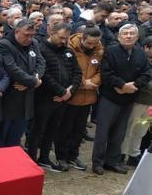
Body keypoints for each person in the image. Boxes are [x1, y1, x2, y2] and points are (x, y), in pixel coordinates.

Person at [92, 24, 152, 175]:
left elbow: (146, 73)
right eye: (125, 33)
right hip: (110, 97)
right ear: (119, 37)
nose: (128, 36)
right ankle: (97, 162)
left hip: (128, 98)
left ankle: (112, 161)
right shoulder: (110, 51)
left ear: (137, 37)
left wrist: (134, 86)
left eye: (132, 34)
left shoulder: (140, 53)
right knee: (102, 133)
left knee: (119, 133)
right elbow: (106, 73)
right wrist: (122, 85)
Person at [27, 22, 82, 171]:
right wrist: (62, 92)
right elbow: (44, 75)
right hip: (44, 98)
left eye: (66, 38)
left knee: (53, 129)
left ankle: (44, 157)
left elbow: (77, 73)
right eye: (61, 37)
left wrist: (69, 92)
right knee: (37, 130)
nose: (64, 41)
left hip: (63, 99)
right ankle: (31, 158)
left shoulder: (68, 51)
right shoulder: (41, 49)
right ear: (52, 34)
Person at [55, 24, 104, 171]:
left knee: (79, 130)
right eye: (89, 43)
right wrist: (83, 83)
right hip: (72, 95)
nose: (91, 46)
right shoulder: (70, 49)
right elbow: (69, 70)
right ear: (82, 38)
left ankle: (73, 155)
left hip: (88, 96)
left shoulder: (99, 51)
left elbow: (102, 71)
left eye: (94, 43)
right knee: (65, 129)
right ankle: (61, 156)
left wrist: (93, 83)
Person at [0, 19, 45, 147]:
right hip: (9, 99)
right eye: (26, 35)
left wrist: (33, 80)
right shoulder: (4, 45)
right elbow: (12, 69)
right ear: (17, 31)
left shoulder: (34, 43)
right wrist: (34, 82)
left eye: (32, 35)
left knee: (16, 138)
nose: (29, 38)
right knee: (2, 137)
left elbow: (41, 63)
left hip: (26, 99)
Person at [120, 36, 152, 166]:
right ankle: (122, 154)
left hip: (149, 103)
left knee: (141, 130)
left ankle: (134, 154)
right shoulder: (139, 60)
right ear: (146, 48)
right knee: (130, 128)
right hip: (138, 100)